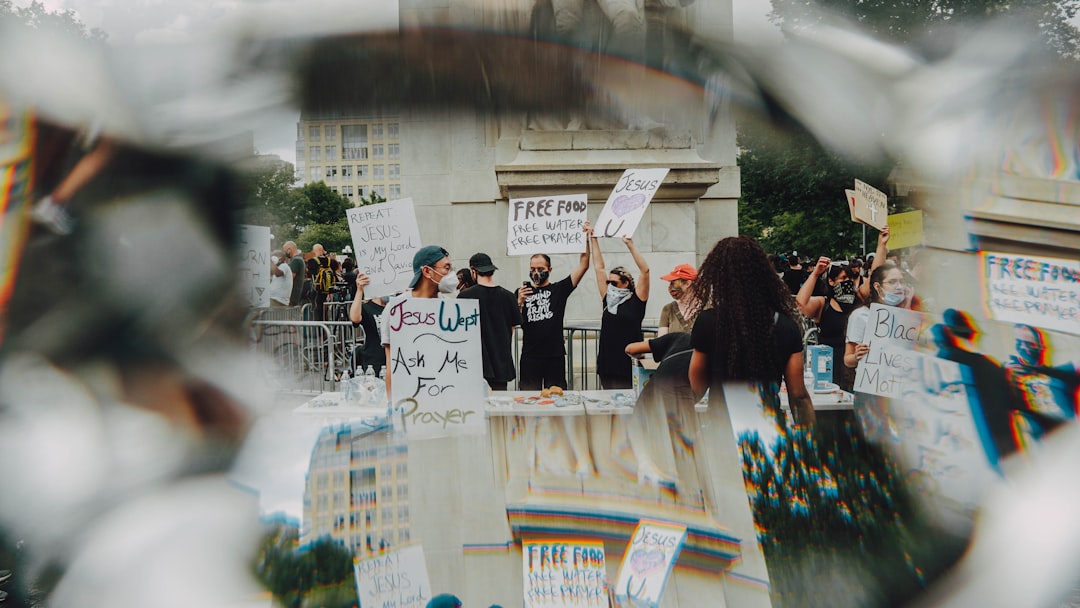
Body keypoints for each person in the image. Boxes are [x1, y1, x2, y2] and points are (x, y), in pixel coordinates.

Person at [688, 236, 815, 427]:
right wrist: (808, 437)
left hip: (723, 430)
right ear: (764, 274)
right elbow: (798, 395)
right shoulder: (785, 324)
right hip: (768, 430)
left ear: (718, 277)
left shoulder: (708, 322)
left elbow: (696, 388)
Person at [516, 222, 592, 390]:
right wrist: (519, 302)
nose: (536, 273)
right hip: (530, 355)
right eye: (532, 269)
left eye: (540, 268)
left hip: (554, 355)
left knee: (557, 397)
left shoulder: (559, 289)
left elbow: (584, 265)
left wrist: (585, 238)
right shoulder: (522, 292)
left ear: (549, 270)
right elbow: (514, 322)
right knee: (529, 397)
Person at [380, 245, 456, 396]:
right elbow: (392, 362)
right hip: (409, 397)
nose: (451, 274)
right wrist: (391, 403)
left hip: (445, 396)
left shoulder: (451, 308)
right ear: (427, 271)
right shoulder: (396, 309)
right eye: (446, 268)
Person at [590, 230, 649, 389]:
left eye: (614, 283)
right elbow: (598, 268)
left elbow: (645, 271)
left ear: (626, 283)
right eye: (608, 282)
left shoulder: (637, 301)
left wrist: (630, 245)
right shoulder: (608, 299)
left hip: (627, 364)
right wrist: (593, 239)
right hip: (607, 364)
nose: (609, 286)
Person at [458, 253, 522, 391]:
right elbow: (512, 328)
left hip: (474, 364)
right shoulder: (509, 296)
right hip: (501, 362)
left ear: (473, 271)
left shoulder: (465, 296)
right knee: (498, 408)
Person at [795, 257, 860, 389]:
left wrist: (881, 245)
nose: (848, 282)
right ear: (831, 281)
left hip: (854, 364)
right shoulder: (823, 303)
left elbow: (876, 277)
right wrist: (815, 273)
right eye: (843, 279)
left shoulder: (859, 300)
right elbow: (801, 303)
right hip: (828, 365)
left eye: (850, 279)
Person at [843, 261, 913, 371]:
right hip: (872, 382)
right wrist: (857, 356)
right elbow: (848, 360)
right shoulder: (861, 315)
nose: (899, 287)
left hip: (902, 382)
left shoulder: (908, 315)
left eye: (902, 282)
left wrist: (908, 308)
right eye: (892, 282)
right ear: (878, 287)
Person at [347, 272, 388, 377]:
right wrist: (360, 290)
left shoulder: (396, 307)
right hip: (374, 363)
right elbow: (355, 318)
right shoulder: (367, 307)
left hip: (394, 361)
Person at [657, 263, 701, 336]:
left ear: (688, 283)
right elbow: (661, 341)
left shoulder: (707, 308)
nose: (670, 288)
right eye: (670, 283)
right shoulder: (668, 309)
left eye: (673, 282)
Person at [282, 241, 306, 307]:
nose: (284, 253)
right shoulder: (300, 259)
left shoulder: (295, 261)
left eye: (285, 251)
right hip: (295, 297)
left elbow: (289, 278)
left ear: (289, 250)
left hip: (291, 297)